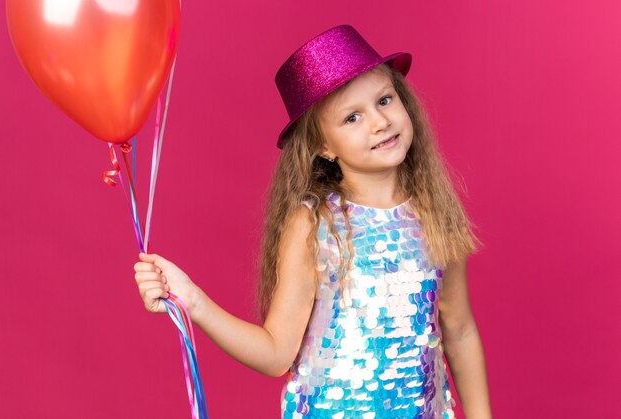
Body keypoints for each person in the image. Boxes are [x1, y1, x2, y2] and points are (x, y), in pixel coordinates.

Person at [134, 24, 492, 418]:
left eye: (384, 100)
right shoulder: (315, 225)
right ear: (323, 146)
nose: (379, 122)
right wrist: (193, 301)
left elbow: (458, 329)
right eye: (352, 117)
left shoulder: (434, 211)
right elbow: (276, 353)